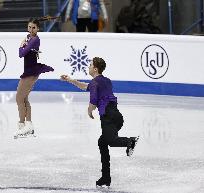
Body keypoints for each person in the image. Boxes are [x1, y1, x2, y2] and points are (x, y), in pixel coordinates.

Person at [60, 57, 139, 187]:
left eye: (90, 65)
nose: (89, 67)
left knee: (111, 141)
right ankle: (105, 178)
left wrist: (89, 110)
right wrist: (70, 80)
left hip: (108, 117)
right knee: (102, 142)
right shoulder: (105, 81)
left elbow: (93, 101)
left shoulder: (95, 83)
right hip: (117, 117)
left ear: (95, 69)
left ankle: (130, 141)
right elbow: (86, 86)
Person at [14, 17, 54, 138]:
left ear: (38, 28)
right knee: (24, 99)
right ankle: (28, 126)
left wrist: (21, 46)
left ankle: (22, 125)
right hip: (30, 70)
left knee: (19, 98)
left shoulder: (35, 39)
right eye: (29, 27)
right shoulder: (28, 37)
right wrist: (25, 45)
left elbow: (21, 54)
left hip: (31, 72)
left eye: (34, 28)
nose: (31, 30)